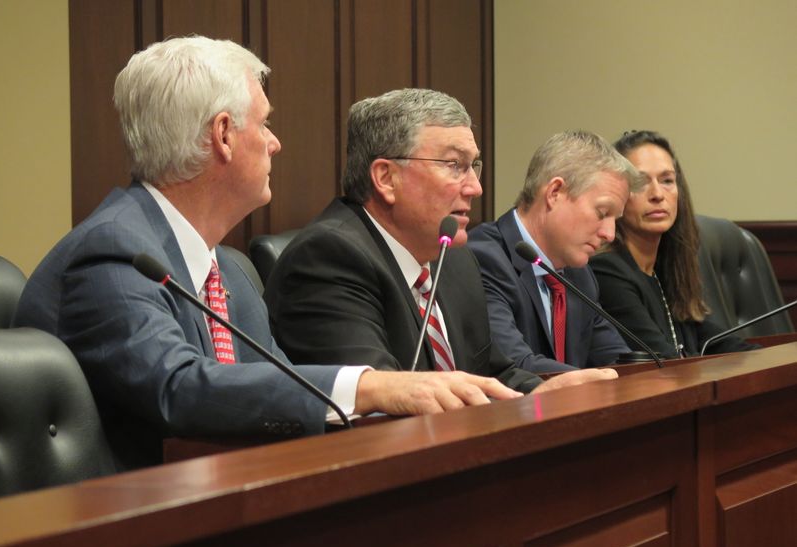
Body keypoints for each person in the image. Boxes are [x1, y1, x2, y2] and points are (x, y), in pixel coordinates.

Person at [13, 37, 526, 472]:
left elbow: (279, 384)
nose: (276, 143)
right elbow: (177, 388)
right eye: (264, 124)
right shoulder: (114, 252)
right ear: (223, 136)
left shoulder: (229, 270)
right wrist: (369, 387)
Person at [263, 89, 616, 393]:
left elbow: (493, 373)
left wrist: (544, 391)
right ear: (386, 177)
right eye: (454, 165)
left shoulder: (454, 260)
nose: (475, 188)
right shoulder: (329, 259)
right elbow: (379, 400)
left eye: (473, 166)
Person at [468, 131, 643, 373]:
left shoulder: (579, 276)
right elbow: (515, 366)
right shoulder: (484, 259)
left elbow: (616, 360)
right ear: (554, 193)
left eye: (615, 220)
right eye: (602, 213)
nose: (610, 234)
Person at [589, 130, 758, 358]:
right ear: (618, 195)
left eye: (667, 180)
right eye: (640, 182)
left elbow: (719, 342)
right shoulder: (608, 272)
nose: (658, 194)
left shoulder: (667, 269)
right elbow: (666, 364)